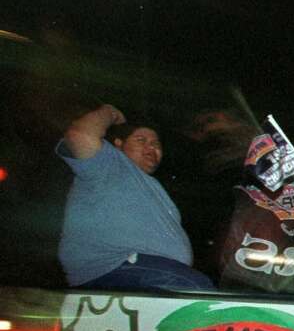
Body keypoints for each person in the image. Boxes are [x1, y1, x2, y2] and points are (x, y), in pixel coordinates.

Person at [55, 103, 212, 291]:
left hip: (145, 271)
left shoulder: (148, 184)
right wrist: (110, 112)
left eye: (156, 144)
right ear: (118, 145)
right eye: (141, 140)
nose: (151, 147)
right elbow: (80, 135)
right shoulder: (109, 164)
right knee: (196, 290)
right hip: (113, 266)